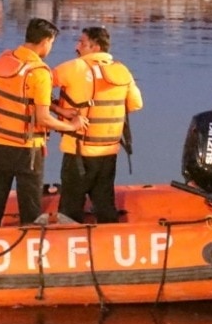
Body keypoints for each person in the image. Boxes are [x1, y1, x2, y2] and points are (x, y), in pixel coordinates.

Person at [0, 19, 88, 227]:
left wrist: (58, 108)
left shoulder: (6, 59)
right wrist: (71, 126)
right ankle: (30, 250)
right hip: (26, 149)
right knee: (30, 208)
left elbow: (22, 98)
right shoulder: (40, 72)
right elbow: (43, 118)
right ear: (46, 41)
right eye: (52, 43)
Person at [52, 27, 144, 224]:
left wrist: (56, 108)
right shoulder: (122, 70)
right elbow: (136, 104)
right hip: (108, 150)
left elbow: (40, 86)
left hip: (78, 151)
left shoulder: (73, 68)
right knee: (104, 203)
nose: (77, 46)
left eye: (82, 43)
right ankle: (109, 240)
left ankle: (68, 244)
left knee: (70, 206)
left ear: (95, 47)